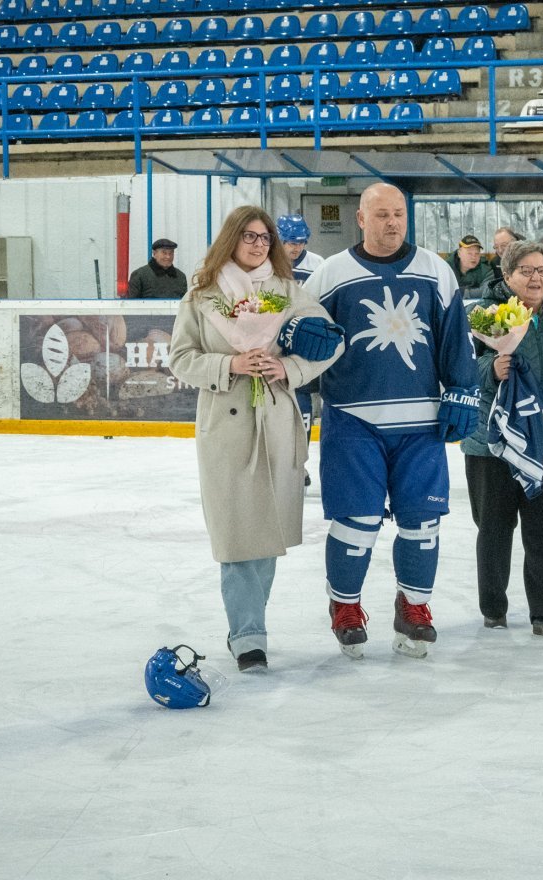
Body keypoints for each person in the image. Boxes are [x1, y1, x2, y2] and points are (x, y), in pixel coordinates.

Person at [302, 183, 479, 661]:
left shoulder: (435, 270)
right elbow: (303, 335)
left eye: (399, 213)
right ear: (361, 219)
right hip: (352, 421)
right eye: (381, 214)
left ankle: (413, 606)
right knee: (356, 522)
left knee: (423, 521)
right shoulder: (331, 274)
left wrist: (463, 389)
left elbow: (455, 337)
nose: (392, 222)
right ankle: (345, 606)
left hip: (421, 422)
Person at [169, 207, 344, 672]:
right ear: (231, 239)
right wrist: (229, 364)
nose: (258, 244)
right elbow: (181, 358)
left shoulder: (287, 291)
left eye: (265, 238)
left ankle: (250, 626)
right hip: (226, 428)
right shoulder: (201, 293)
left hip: (277, 422)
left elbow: (333, 341)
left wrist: (289, 368)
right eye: (249, 236)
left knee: (265, 534)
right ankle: (247, 635)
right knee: (237, 534)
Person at [462, 240, 543, 637]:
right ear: (507, 275)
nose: (536, 278)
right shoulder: (485, 314)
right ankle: (493, 609)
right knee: (494, 528)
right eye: (526, 271)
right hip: (493, 441)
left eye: (542, 271)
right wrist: (490, 369)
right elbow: (462, 368)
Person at [277, 214, 325, 447]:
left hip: (305, 340)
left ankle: (301, 454)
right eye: (291, 242)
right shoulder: (267, 261)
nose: (296, 248)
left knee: (303, 394)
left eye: (301, 242)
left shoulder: (317, 264)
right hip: (275, 341)